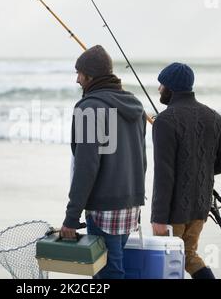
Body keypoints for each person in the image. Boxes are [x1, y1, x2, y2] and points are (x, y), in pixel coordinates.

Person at [59, 45, 147, 279]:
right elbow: (141, 158)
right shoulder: (136, 106)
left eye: (80, 73)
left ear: (91, 75)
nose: (77, 79)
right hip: (130, 206)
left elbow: (86, 166)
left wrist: (71, 217)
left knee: (108, 273)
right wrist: (137, 197)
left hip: (104, 209)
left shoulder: (89, 108)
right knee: (116, 267)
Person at [151, 62, 221, 279]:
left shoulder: (165, 120)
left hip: (173, 211)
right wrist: (199, 172)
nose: (159, 89)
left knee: (167, 260)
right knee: (188, 255)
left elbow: (164, 174)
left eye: (162, 85)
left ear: (171, 87)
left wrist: (158, 218)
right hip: (200, 204)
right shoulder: (214, 117)